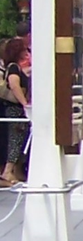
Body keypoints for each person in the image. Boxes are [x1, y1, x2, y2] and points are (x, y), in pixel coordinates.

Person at [2, 38, 31, 186]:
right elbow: (14, 85)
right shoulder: (13, 68)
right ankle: (8, 171)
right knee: (16, 138)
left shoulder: (16, 67)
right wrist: (24, 103)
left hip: (16, 108)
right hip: (15, 108)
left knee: (20, 138)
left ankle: (15, 171)